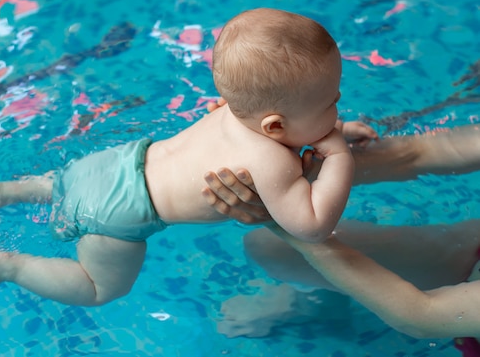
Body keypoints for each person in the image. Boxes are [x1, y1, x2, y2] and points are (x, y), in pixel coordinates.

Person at [0, 7, 356, 307]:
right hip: (122, 212)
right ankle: (8, 267)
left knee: (58, 187)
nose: (337, 113)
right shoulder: (272, 161)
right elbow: (312, 227)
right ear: (274, 127)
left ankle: (0, 192)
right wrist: (339, 156)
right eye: (331, 105)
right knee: (99, 289)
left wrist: (325, 129)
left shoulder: (228, 110)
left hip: (114, 163)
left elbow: (295, 129)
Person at [201, 127, 480, 342]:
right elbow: (415, 154)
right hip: (471, 255)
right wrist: (306, 156)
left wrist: (282, 221)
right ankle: (321, 300)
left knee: (285, 239)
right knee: (272, 248)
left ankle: (313, 303)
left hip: (441, 307)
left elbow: (422, 316)